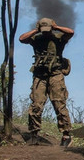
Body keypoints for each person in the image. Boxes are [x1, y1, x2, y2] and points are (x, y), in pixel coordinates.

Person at [19, 17, 74, 147]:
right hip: (40, 76)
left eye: (47, 30)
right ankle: (34, 134)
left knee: (59, 105)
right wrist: (35, 30)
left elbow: (71, 32)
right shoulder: (36, 38)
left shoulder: (59, 38)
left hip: (56, 74)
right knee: (36, 105)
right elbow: (22, 39)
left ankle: (66, 135)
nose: (45, 32)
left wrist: (56, 27)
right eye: (43, 30)